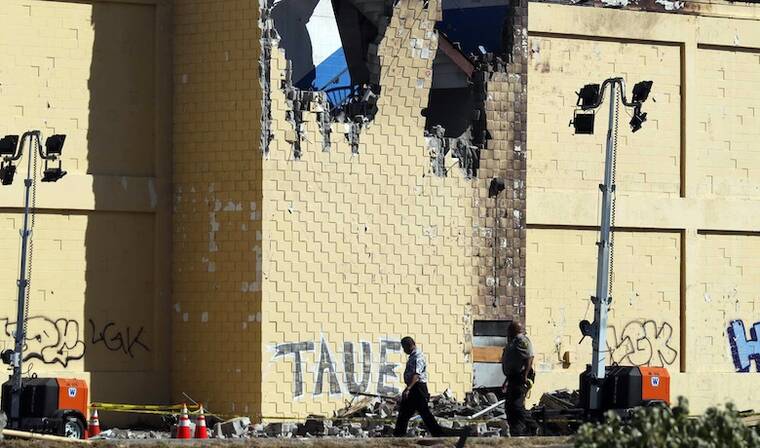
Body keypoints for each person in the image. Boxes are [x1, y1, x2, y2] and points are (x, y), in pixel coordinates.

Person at [393, 336, 445, 437]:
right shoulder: (413, 356)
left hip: (418, 388)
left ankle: (438, 434)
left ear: (409, 346)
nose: (404, 350)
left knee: (424, 412)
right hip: (413, 387)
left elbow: (416, 375)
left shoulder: (418, 356)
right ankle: (399, 434)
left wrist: (408, 388)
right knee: (404, 412)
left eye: (404, 348)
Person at [500, 321, 536, 436]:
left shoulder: (522, 340)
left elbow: (529, 357)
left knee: (517, 405)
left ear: (514, 330)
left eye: (510, 329)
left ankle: (533, 426)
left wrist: (525, 376)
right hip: (512, 377)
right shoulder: (513, 341)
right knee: (509, 407)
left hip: (520, 377)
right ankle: (516, 430)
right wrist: (506, 380)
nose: (507, 332)